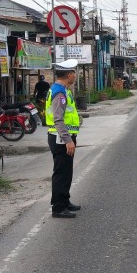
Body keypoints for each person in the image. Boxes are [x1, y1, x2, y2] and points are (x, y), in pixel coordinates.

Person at [46, 59, 82, 218]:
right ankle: (58, 207)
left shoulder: (63, 90)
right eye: (74, 73)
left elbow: (67, 114)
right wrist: (68, 140)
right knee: (61, 173)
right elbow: (58, 119)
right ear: (69, 74)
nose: (75, 75)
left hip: (65, 136)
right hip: (60, 138)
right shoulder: (59, 92)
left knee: (67, 171)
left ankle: (65, 201)